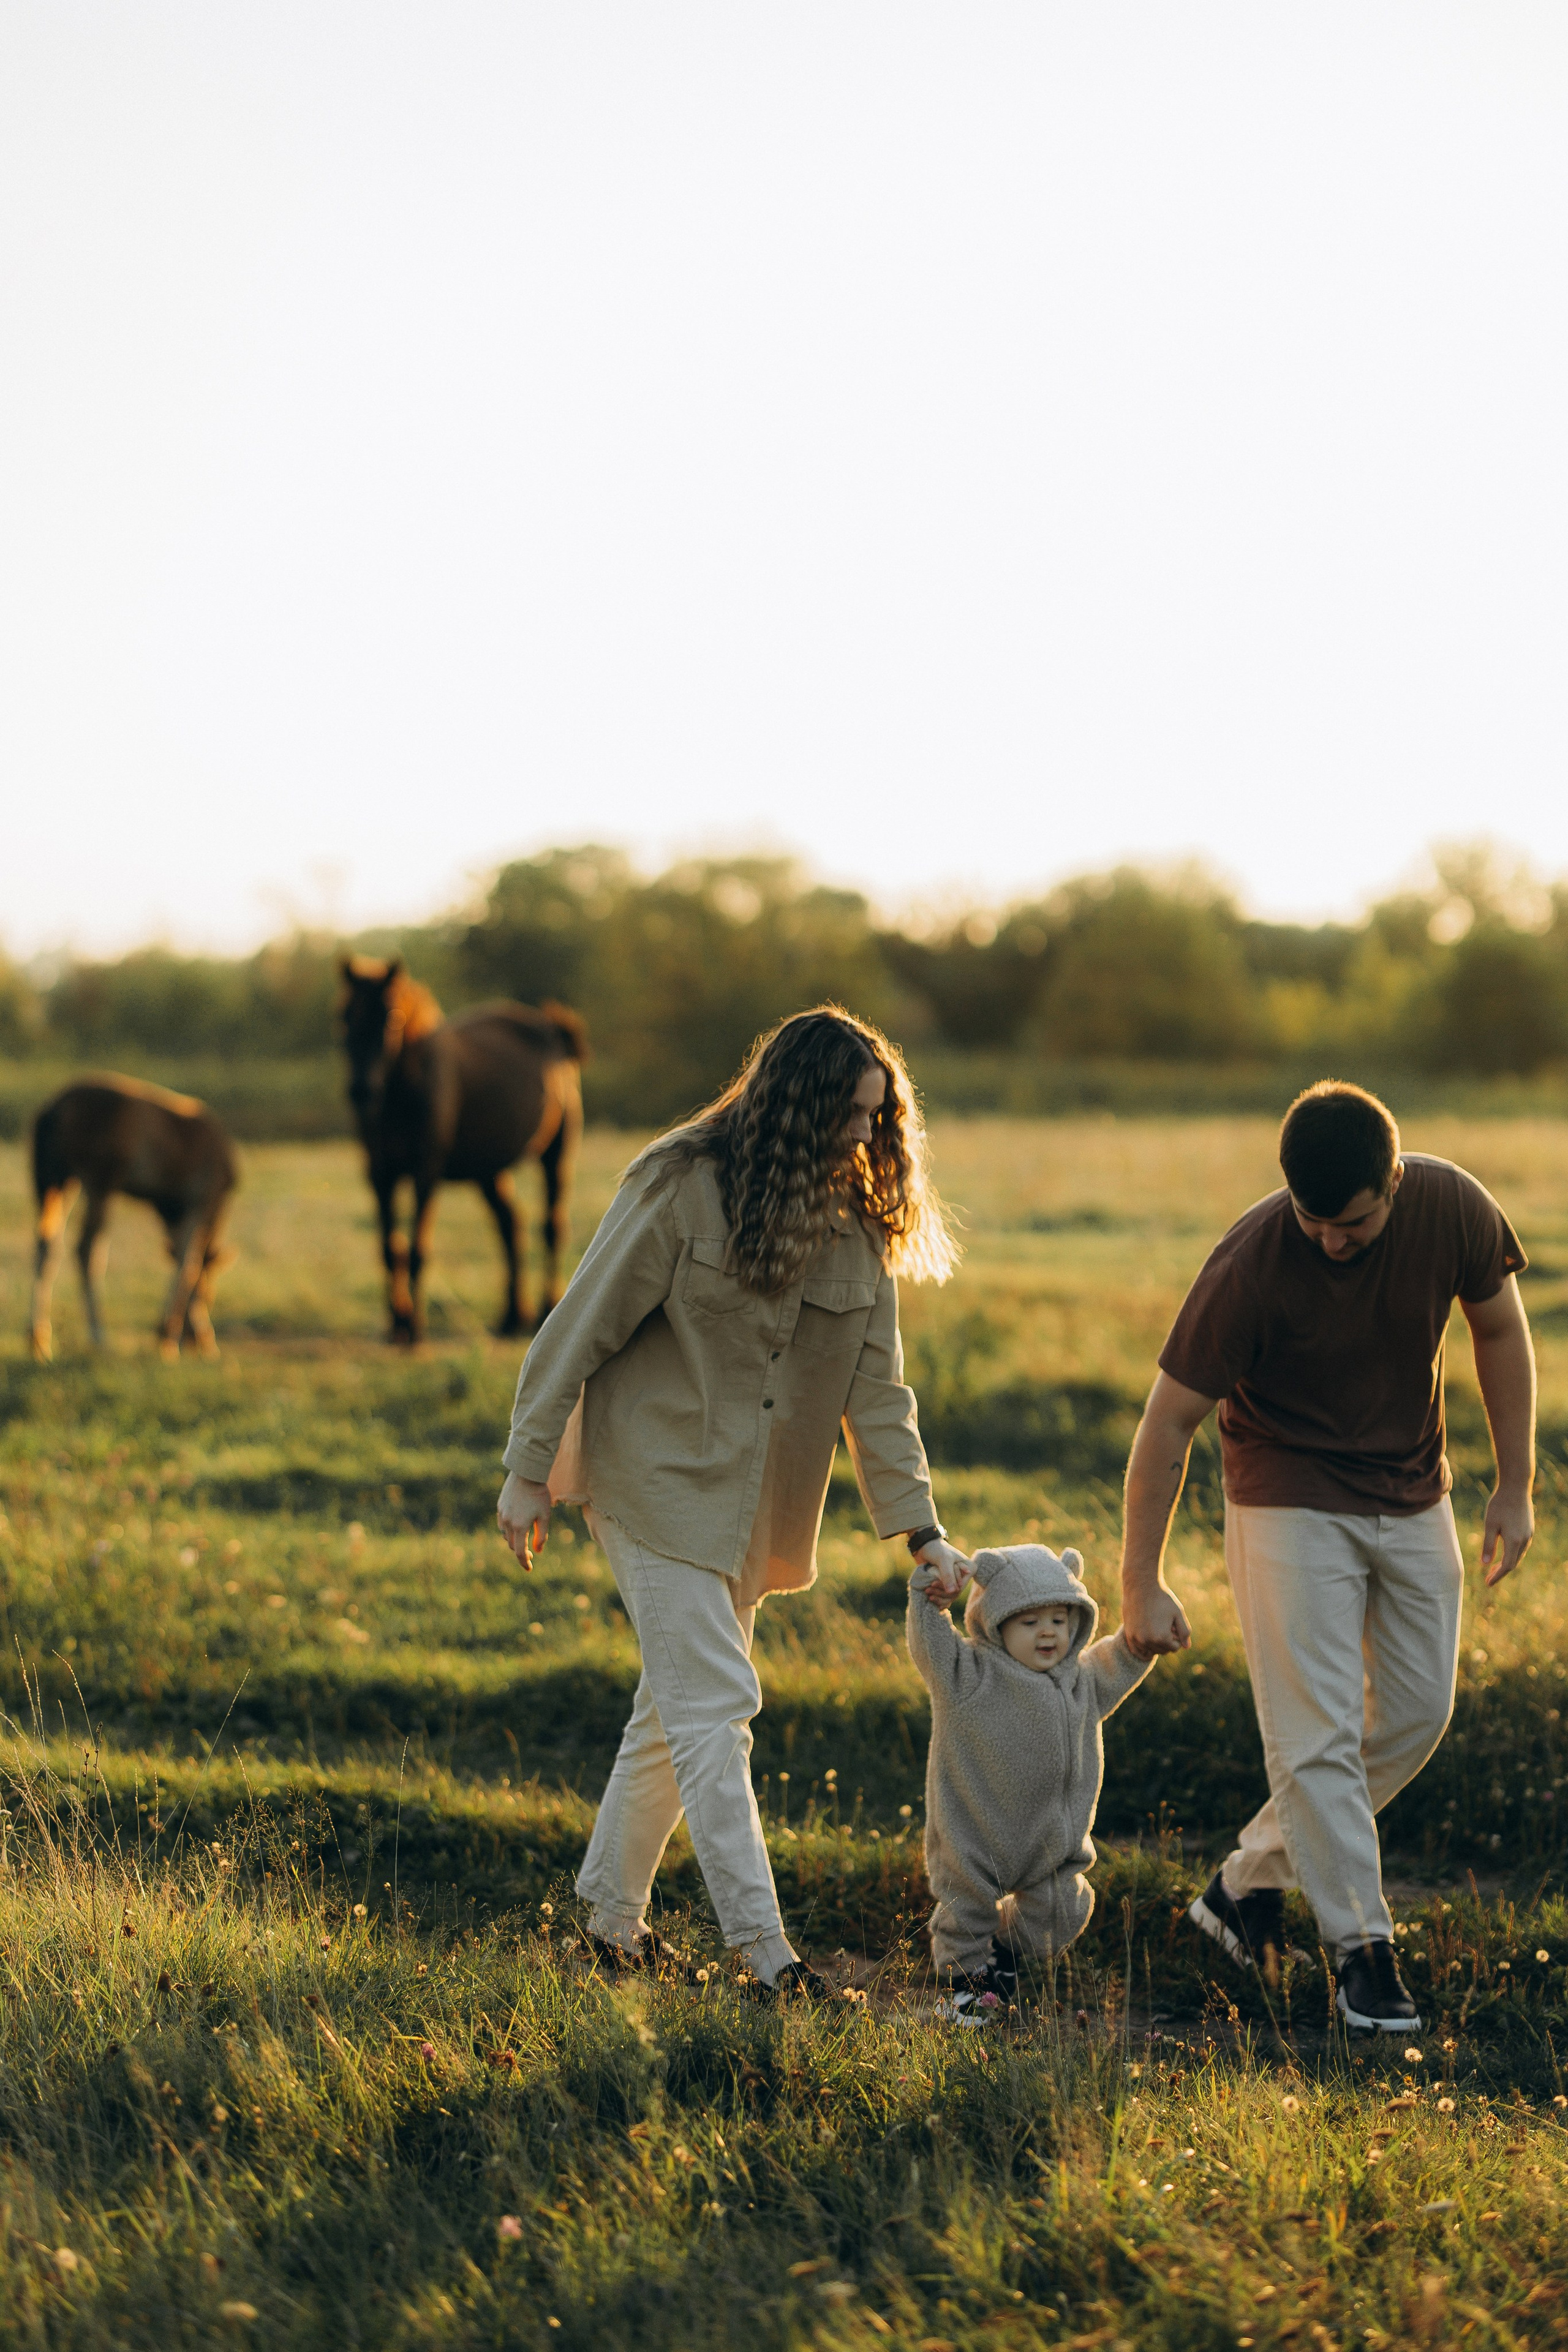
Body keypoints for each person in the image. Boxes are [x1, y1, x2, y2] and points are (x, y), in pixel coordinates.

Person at [496, 1006, 967, 1997]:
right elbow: (576, 1327)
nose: (863, 1138)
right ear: (793, 1107)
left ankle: (608, 1924)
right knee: (717, 1706)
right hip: (650, 1476)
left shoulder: (859, 1232)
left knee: (673, 1717)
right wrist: (526, 1470)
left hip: (751, 1506)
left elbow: (878, 1397)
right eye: (847, 1117)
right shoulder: (679, 1186)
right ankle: (768, 1960)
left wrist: (923, 1534)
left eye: (878, 1121)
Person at [1119, 1080, 1535, 2033]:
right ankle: (1362, 1953)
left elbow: (1502, 1327)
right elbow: (1167, 1427)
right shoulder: (1253, 1262)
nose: (1329, 1241)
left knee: (1420, 1709)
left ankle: (1243, 1883)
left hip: (1411, 1486)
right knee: (1316, 1733)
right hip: (1286, 1494)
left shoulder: (1453, 1205)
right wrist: (1139, 1582)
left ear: (1394, 1183)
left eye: (1350, 1224)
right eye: (1313, 1220)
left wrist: (1514, 1484)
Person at [907, 1542, 1153, 2022]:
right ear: (997, 1622)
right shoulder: (969, 1675)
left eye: (1060, 1620)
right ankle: (968, 1989)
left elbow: (1117, 1661)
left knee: (1065, 1911)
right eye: (1029, 1621)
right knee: (966, 1910)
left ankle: (1005, 1955)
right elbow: (931, 1644)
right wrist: (928, 1601)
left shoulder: (1079, 1679)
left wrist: (1141, 1643)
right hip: (976, 1833)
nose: (1048, 1632)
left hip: (1051, 1845)